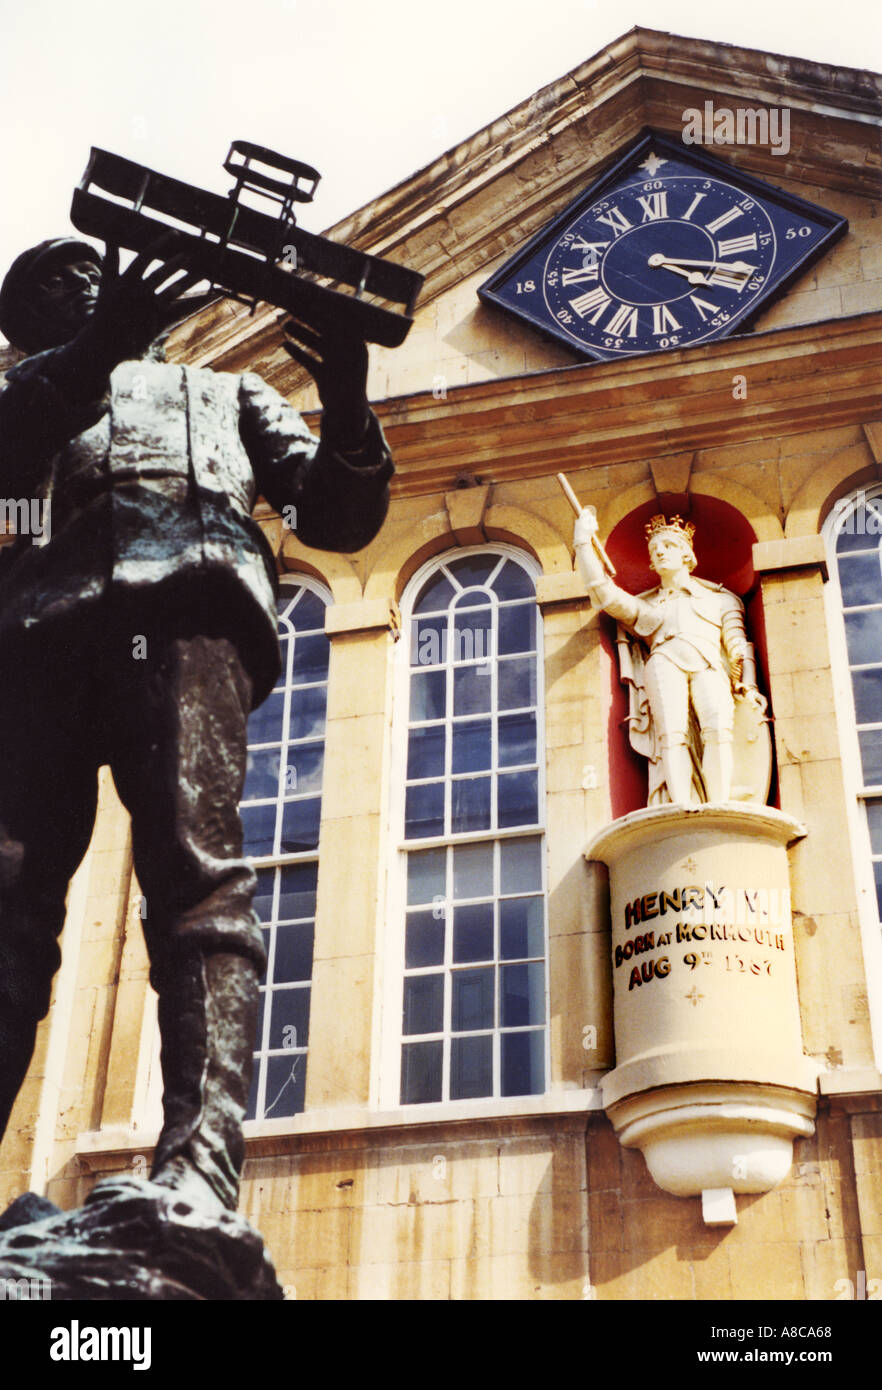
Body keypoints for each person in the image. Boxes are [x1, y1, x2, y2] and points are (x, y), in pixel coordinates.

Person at [0, 236, 393, 1211]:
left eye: (90, 272)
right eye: (55, 283)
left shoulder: (225, 395)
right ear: (26, 321)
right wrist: (99, 347)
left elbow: (337, 515)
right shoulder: (33, 397)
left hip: (190, 616)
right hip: (39, 639)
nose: (83, 285)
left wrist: (345, 394)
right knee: (8, 908)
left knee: (197, 877)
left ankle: (201, 1160)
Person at [574, 509, 766, 805]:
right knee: (672, 735)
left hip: (710, 664)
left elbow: (739, 644)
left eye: (669, 546)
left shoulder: (721, 599)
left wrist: (749, 685)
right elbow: (603, 594)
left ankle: (719, 803)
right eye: (655, 549)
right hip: (664, 663)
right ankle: (680, 805)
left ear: (687, 554)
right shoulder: (648, 606)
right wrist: (583, 542)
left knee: (718, 730)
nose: (661, 552)